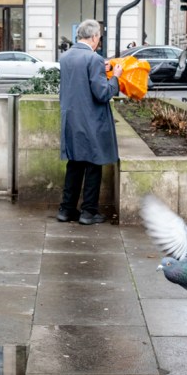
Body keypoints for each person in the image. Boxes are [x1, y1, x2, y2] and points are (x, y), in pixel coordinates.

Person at [57, 19, 122, 226]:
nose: (99, 40)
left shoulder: (66, 57)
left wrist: (101, 68)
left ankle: (66, 210)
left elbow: (78, 81)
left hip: (71, 120)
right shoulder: (93, 58)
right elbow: (103, 93)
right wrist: (116, 77)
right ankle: (88, 212)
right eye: (99, 37)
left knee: (74, 165)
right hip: (91, 121)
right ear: (94, 37)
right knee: (94, 165)